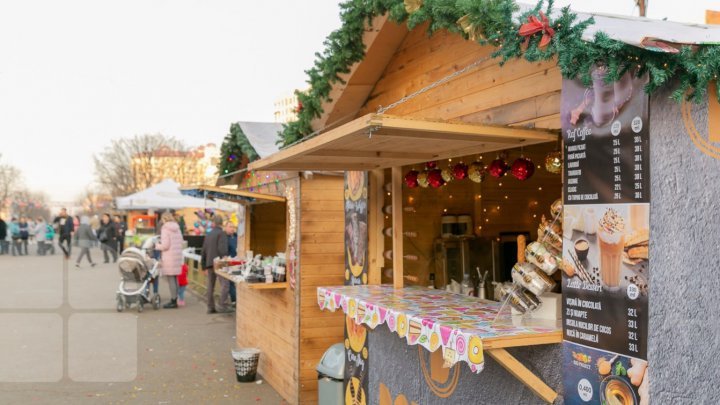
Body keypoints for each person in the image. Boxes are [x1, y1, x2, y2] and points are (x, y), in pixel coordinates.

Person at [155, 211, 184, 309]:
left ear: (164, 219)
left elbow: (165, 245)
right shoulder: (177, 228)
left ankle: (173, 300)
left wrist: (157, 246)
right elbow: (180, 241)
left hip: (169, 256)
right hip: (177, 255)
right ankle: (175, 298)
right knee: (175, 278)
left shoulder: (165, 228)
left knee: (171, 279)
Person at [201, 215, 229, 314]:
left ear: (213, 223)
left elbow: (203, 250)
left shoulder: (208, 234)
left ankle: (210, 307)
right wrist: (225, 257)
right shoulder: (222, 234)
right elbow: (222, 249)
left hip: (209, 263)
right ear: (221, 223)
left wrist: (203, 265)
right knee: (225, 284)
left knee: (210, 286)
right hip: (219, 263)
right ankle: (222, 305)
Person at [224, 221, 238, 305]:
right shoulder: (224, 238)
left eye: (233, 227)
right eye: (230, 226)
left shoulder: (237, 237)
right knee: (230, 282)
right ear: (225, 227)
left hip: (238, 262)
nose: (232, 228)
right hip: (228, 263)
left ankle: (236, 299)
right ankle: (234, 300)